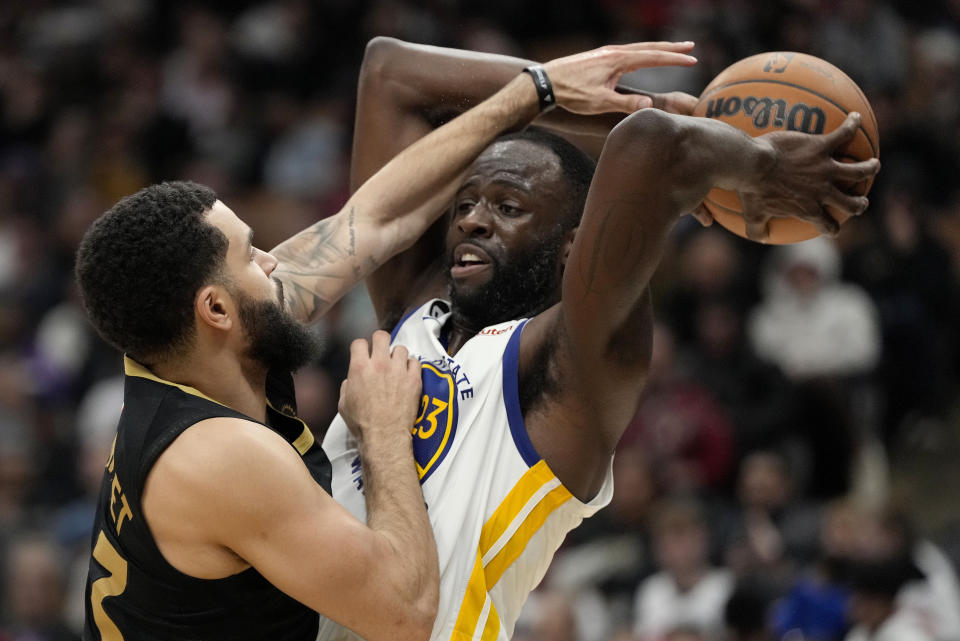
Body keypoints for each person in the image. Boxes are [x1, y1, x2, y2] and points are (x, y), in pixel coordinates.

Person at [75, 42, 700, 641]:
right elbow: (407, 618)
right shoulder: (215, 455)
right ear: (215, 309)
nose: (273, 261)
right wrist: (382, 438)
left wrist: (542, 89)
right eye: (250, 253)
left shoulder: (187, 345)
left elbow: (373, 220)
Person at [320, 38, 880, 641]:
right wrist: (552, 91)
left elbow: (652, 145)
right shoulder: (413, 309)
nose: (472, 220)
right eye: (465, 204)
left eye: (508, 206)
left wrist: (753, 159)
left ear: (571, 248)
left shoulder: (570, 366)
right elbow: (391, 74)